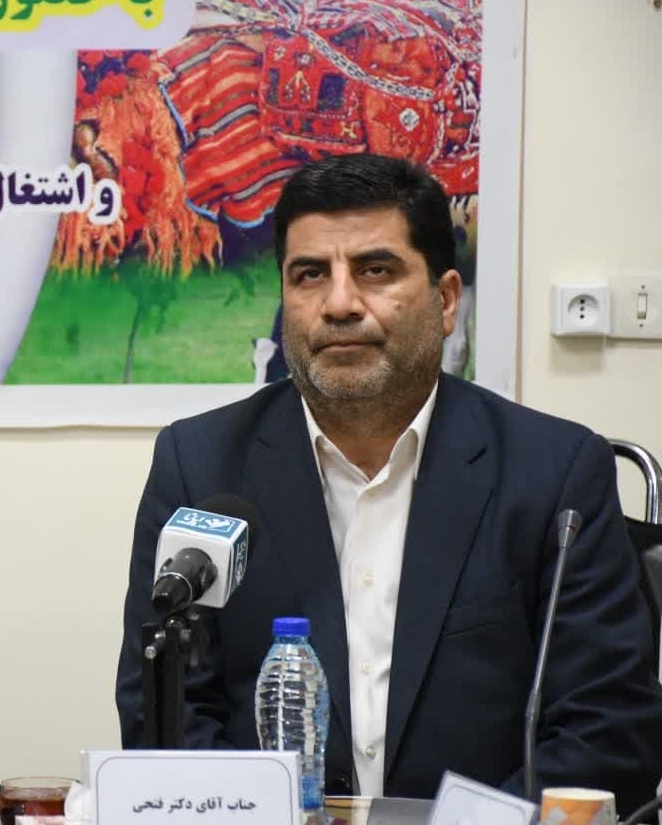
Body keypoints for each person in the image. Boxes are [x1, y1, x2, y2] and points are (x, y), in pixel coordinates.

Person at [115, 153, 662, 810]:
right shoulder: (200, 465)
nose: (340, 304)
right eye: (310, 275)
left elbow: (610, 731)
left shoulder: (554, 473)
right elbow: (164, 714)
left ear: (446, 300)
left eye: (376, 270)